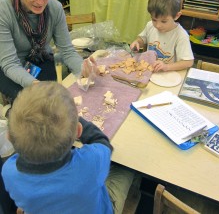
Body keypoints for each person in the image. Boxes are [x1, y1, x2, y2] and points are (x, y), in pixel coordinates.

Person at [1, 81, 134, 214]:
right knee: (129, 170)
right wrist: (75, 120)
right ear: (78, 131)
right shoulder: (88, 164)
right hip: (100, 208)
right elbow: (103, 144)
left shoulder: (8, 171)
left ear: (9, 137)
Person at [0, 0, 97, 111]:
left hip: (41, 61)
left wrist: (83, 69)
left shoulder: (55, 8)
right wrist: (34, 85)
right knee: (35, 107)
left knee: (57, 103)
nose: (40, 1)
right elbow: (9, 64)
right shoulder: (3, 11)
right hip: (10, 70)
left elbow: (67, 51)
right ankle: (8, 111)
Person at [130, 0, 194, 72]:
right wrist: (137, 42)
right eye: (154, 20)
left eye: (164, 21)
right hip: (149, 71)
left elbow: (188, 62)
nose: (158, 25)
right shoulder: (150, 26)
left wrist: (166, 67)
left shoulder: (180, 35)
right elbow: (142, 39)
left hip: (168, 75)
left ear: (177, 16)